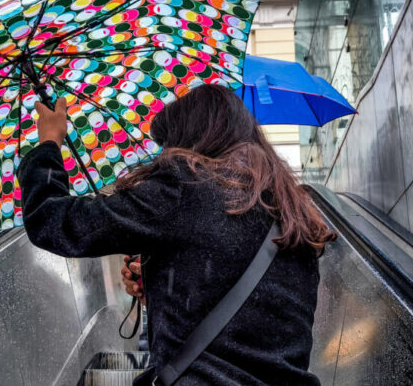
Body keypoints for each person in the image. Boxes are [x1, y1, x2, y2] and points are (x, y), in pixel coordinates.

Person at [17, 84, 336, 385]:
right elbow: (259, 318)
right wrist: (167, 284)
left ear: (191, 140)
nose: (165, 154)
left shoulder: (186, 188)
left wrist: (49, 143)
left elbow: (53, 223)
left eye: (169, 143)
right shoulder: (291, 211)